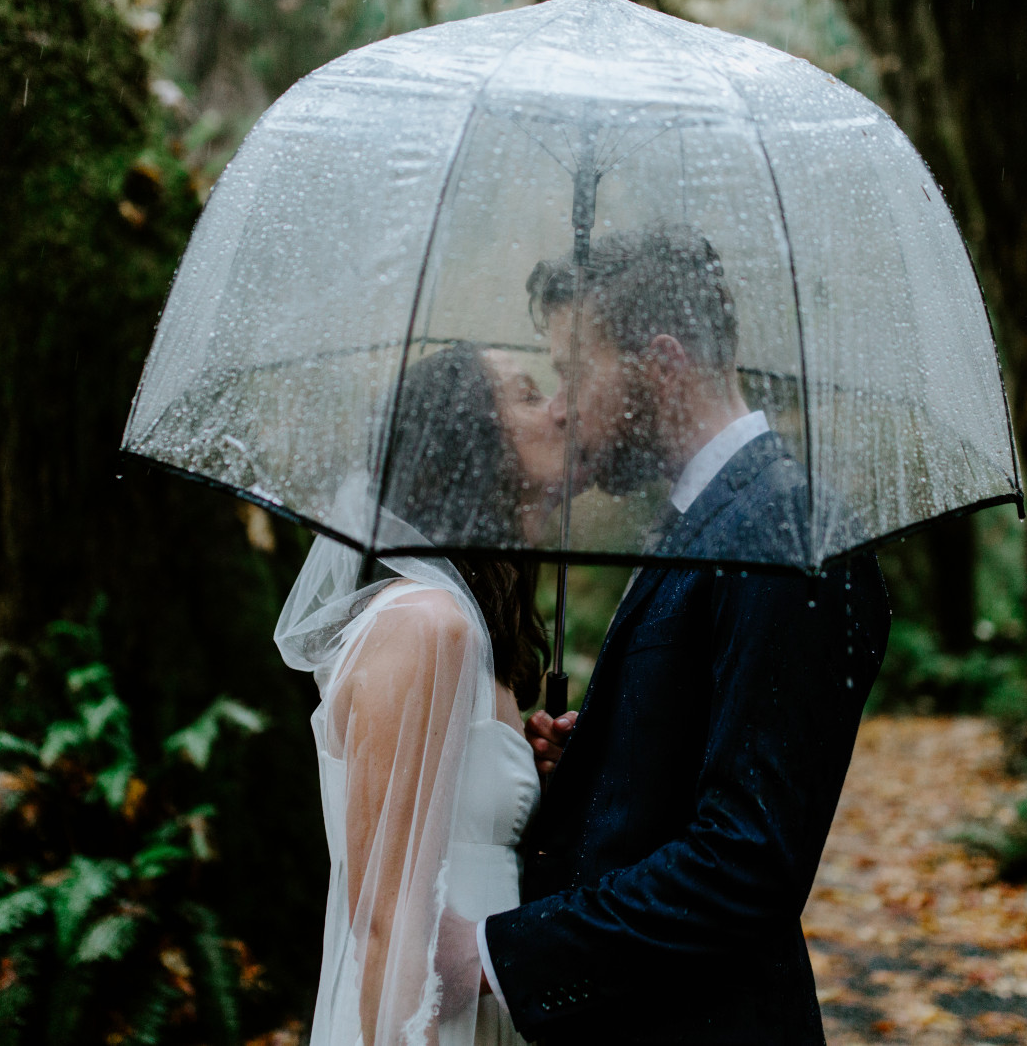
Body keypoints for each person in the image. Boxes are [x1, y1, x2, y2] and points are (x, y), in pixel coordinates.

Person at [476, 225, 892, 1043]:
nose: (560, 405)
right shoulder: (706, 516)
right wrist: (595, 764)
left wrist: (504, 954)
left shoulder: (784, 530)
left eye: (573, 371)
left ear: (660, 364)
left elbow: (744, 863)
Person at [275, 342, 566, 1045]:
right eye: (528, 394)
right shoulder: (424, 624)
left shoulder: (470, 633)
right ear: (468, 442)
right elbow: (389, 918)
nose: (561, 410)